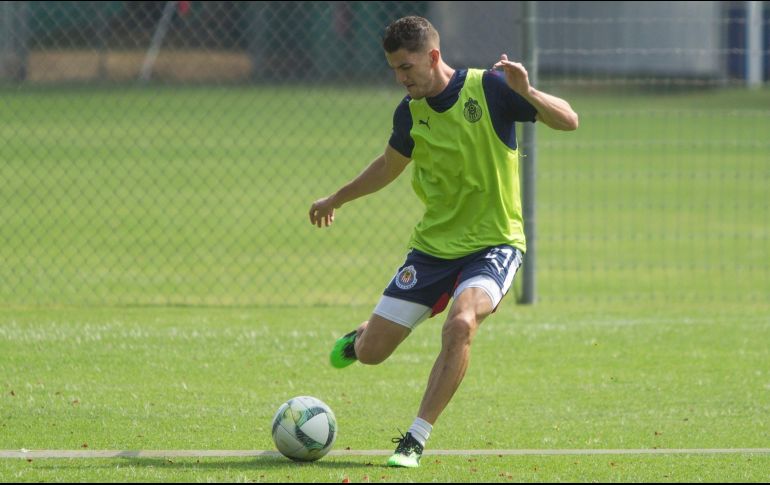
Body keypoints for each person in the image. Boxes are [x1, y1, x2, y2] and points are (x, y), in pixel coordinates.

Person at [308, 15, 578, 468]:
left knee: (462, 323)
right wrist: (337, 197)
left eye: (406, 67)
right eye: (394, 68)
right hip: (433, 249)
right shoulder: (408, 111)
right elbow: (388, 167)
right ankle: (362, 337)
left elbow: (569, 120)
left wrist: (526, 90)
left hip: (495, 242)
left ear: (433, 57)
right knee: (372, 353)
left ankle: (414, 439)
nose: (400, 77)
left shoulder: (490, 88)